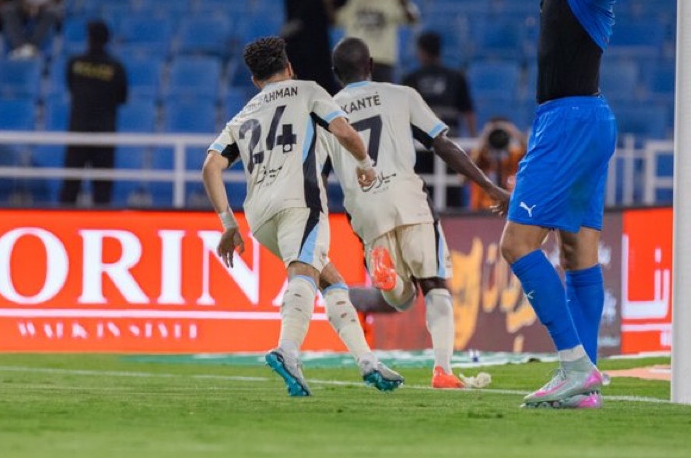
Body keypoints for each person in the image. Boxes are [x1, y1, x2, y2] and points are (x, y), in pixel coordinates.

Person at [202, 36, 403, 396]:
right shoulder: (308, 90)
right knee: (304, 273)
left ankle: (368, 362)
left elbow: (210, 167)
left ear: (254, 80)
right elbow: (344, 132)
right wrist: (366, 165)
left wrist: (228, 225)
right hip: (300, 202)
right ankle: (287, 350)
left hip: (259, 216)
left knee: (332, 281)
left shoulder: (242, 116)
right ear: (290, 67)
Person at [323, 37, 510, 388]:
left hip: (364, 207)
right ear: (371, 65)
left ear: (336, 73)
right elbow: (442, 144)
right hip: (408, 197)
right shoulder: (401, 94)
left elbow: (317, 174)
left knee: (400, 299)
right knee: (434, 282)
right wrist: (489, 186)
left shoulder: (325, 112)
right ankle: (443, 371)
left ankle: (388, 277)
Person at [494, 0, 615, 408]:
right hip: (584, 118)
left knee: (516, 244)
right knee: (576, 250)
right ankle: (582, 383)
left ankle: (574, 365)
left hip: (569, 121)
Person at [402, 31, 476, 208]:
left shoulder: (410, 79)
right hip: (451, 144)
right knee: (453, 194)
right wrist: (473, 143)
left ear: (421, 51)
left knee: (421, 195)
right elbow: (468, 113)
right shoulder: (456, 77)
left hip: (420, 146)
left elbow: (401, 116)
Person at [60, 20, 127, 207]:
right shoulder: (115, 67)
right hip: (104, 133)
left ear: (88, 38)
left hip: (78, 131)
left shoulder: (75, 63)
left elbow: (71, 88)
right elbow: (122, 97)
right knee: (102, 188)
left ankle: (64, 220)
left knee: (70, 186)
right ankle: (103, 221)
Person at [335, 0, 419, 84]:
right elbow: (336, 20)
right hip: (356, 60)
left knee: (383, 97)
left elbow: (413, 20)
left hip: (382, 60)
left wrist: (404, 5)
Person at [470, 117, 526, 211]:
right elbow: (463, 178)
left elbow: (532, 156)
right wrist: (484, 138)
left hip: (510, 209)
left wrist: (514, 132)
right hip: (482, 210)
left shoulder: (515, 156)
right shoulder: (482, 156)